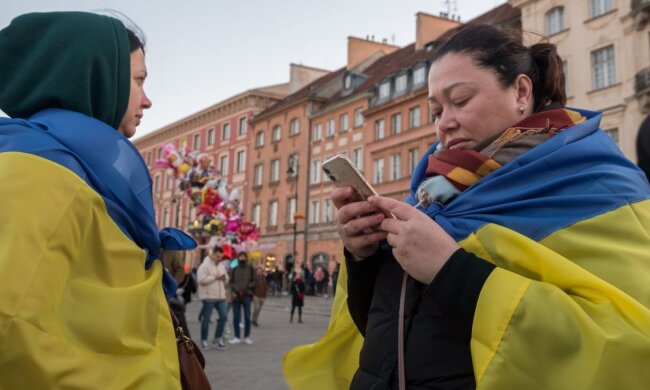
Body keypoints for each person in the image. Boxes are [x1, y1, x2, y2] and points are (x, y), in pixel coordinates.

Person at [284, 24, 650, 389]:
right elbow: (386, 336)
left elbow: (627, 345)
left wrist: (452, 271)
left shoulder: (598, 185)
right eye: (435, 111)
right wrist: (364, 257)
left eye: (460, 101)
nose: (445, 123)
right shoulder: (432, 192)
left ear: (521, 91)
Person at [0, 11, 197, 388]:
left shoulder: (85, 169)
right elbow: (9, 325)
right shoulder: (41, 170)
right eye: (138, 80)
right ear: (98, 75)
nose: (148, 100)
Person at [197, 246, 229, 350]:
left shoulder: (221, 266)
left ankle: (217, 338)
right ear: (213, 254)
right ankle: (204, 340)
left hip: (220, 296)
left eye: (221, 256)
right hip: (208, 296)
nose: (219, 258)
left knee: (224, 316)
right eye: (217, 256)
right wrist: (215, 277)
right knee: (206, 319)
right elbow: (201, 280)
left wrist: (225, 278)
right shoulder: (204, 265)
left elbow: (226, 279)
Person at [228, 251, 256, 344]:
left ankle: (247, 336)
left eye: (243, 256)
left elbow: (254, 281)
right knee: (236, 317)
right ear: (238, 258)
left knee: (247, 317)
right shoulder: (235, 269)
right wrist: (236, 290)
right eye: (240, 256)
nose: (242, 258)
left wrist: (246, 288)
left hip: (246, 295)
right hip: (236, 295)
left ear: (246, 257)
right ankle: (236, 336)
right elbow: (231, 282)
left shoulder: (250, 268)